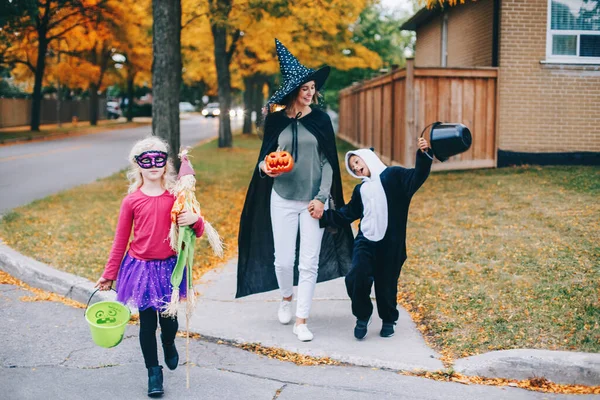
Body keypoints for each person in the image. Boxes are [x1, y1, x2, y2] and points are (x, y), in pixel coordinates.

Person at [237, 39, 353, 342]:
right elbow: (264, 159)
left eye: (313, 87)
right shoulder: (275, 121)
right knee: (283, 260)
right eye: (305, 88)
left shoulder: (321, 120)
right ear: (293, 92)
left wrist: (321, 198)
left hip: (313, 201)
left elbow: (329, 161)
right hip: (283, 198)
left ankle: (302, 320)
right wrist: (266, 168)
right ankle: (286, 297)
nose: (310, 92)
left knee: (309, 262)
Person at [95, 136, 205, 397]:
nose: (153, 165)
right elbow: (120, 240)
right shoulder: (131, 201)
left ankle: (168, 343)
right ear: (138, 165)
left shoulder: (176, 197)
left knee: (169, 320)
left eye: (159, 159)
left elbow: (195, 233)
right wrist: (109, 274)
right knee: (146, 324)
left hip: (169, 268)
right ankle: (153, 372)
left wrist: (195, 220)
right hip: (141, 268)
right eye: (147, 160)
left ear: (166, 164)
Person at [317, 138, 433, 340]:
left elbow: (417, 176)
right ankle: (363, 315)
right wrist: (325, 216)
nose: (356, 167)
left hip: (391, 243)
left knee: (386, 283)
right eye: (352, 166)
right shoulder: (360, 190)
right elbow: (348, 213)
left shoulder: (394, 176)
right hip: (366, 241)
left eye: (357, 161)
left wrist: (423, 155)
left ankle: (389, 320)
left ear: (367, 158)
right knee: (356, 277)